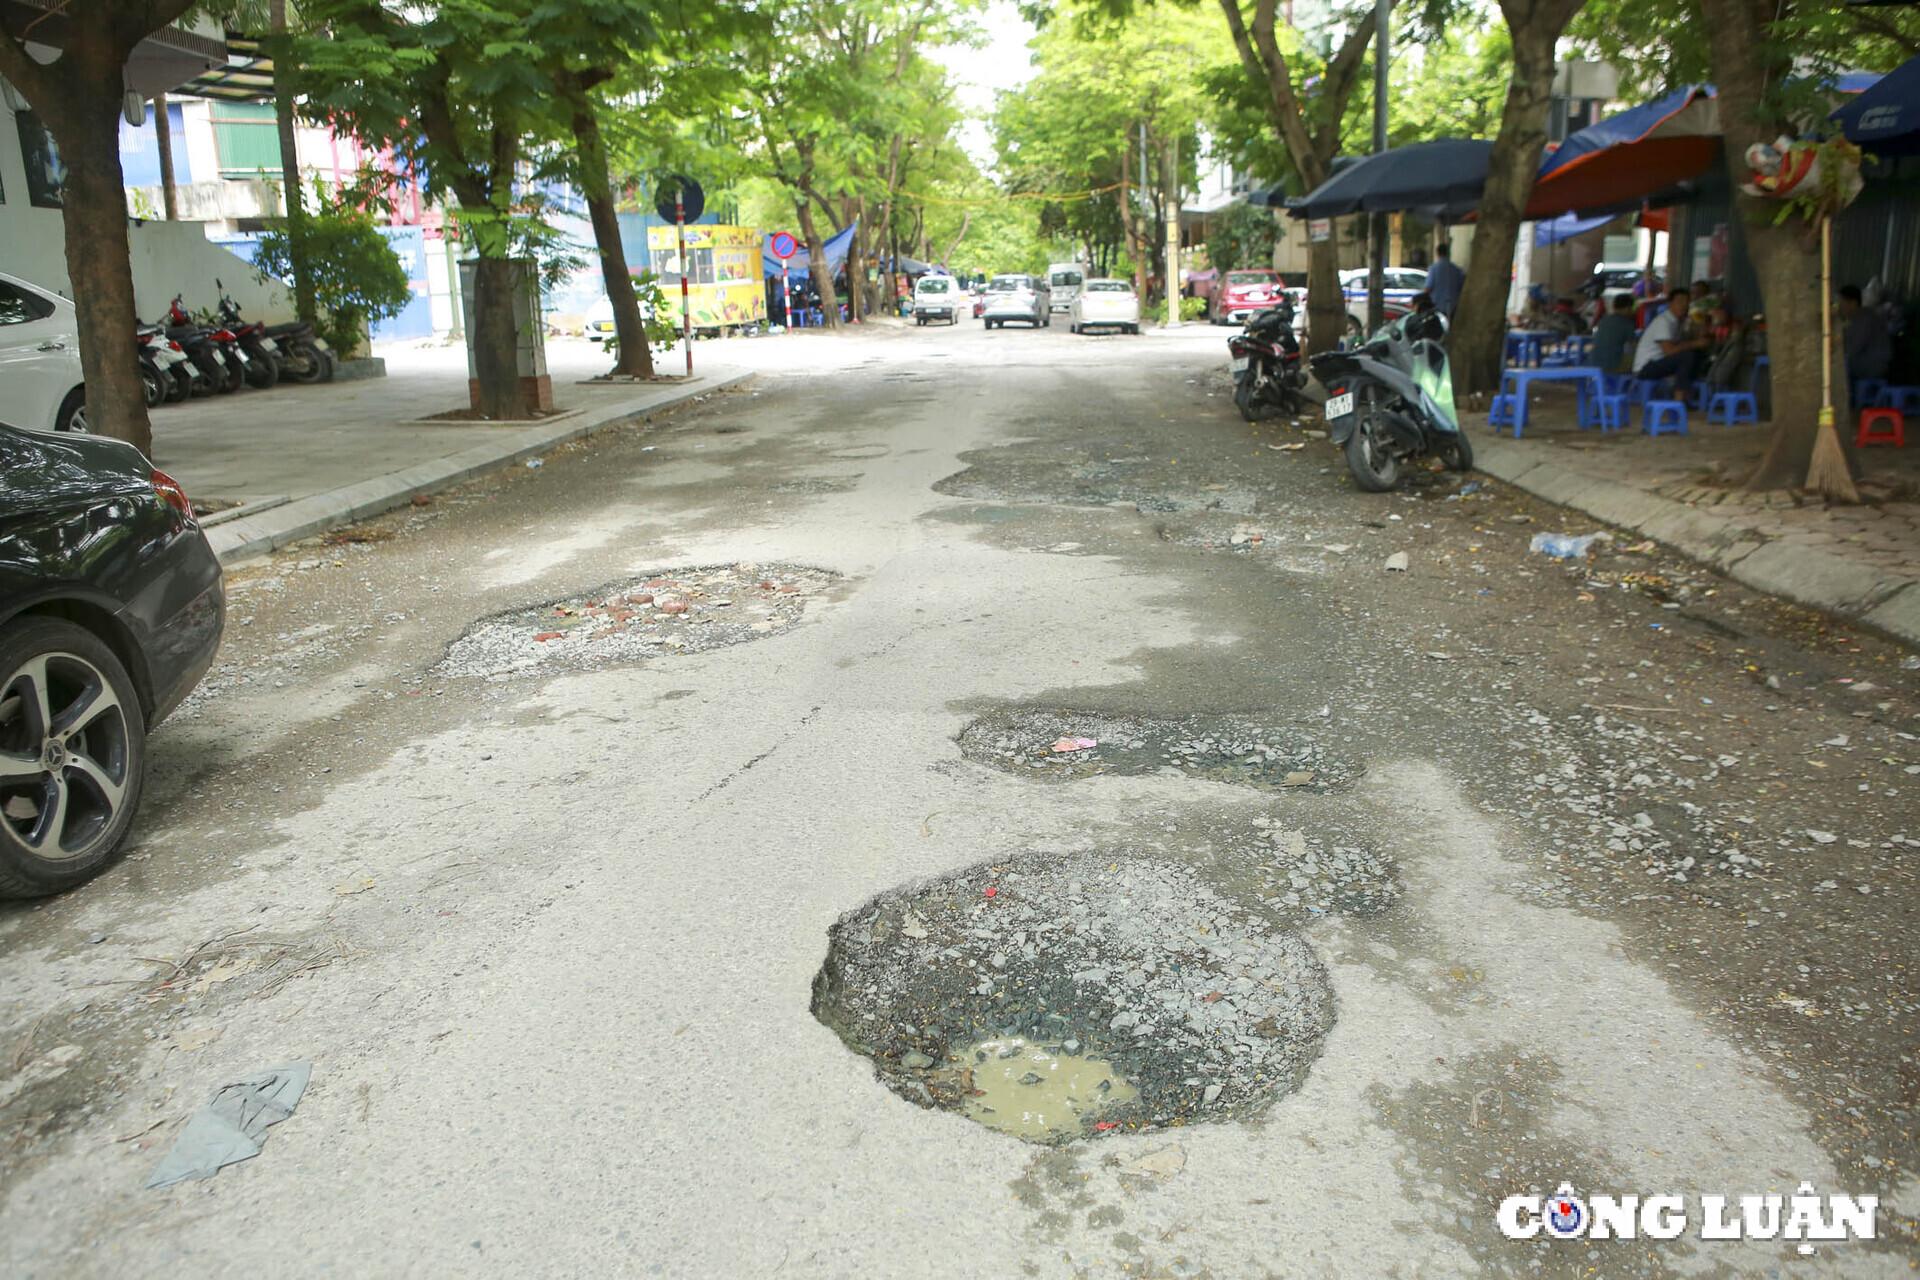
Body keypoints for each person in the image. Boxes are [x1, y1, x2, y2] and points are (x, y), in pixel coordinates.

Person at [1632, 285, 1714, 386]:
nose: (1683, 306)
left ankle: (1693, 389)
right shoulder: (1663, 321)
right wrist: (1695, 343)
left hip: (1659, 362)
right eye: (1680, 302)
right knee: (1687, 356)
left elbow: (1685, 341)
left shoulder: (1679, 321)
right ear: (1670, 304)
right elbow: (1669, 351)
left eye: (1686, 302)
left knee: (1695, 354)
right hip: (1646, 367)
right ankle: (1678, 397)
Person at [1840, 284, 1892, 387]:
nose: (1840, 306)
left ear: (1853, 303)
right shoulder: (1854, 319)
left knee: (1837, 369)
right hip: (1865, 362)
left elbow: (1854, 347)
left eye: (1842, 302)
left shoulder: (1865, 318)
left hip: (1873, 365)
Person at [1591, 292, 1638, 374]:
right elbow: (1634, 344)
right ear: (1627, 308)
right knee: (1640, 357)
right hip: (1612, 366)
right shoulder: (1627, 322)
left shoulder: (1604, 320)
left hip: (1593, 363)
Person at [1425, 242, 1465, 318]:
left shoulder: (1433, 269)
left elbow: (1428, 288)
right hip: (1453, 306)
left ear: (1437, 253)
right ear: (1448, 253)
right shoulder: (1456, 270)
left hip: (1437, 305)